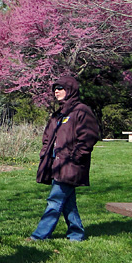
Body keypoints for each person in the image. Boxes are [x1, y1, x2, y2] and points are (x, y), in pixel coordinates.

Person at [28, 76, 99, 242]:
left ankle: (39, 236)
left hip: (70, 165)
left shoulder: (81, 111)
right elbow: (48, 138)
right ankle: (77, 234)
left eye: (61, 88)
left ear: (71, 90)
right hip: (56, 164)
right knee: (67, 203)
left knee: (55, 200)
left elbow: (89, 136)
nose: (56, 91)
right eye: (55, 88)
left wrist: (75, 157)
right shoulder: (59, 114)